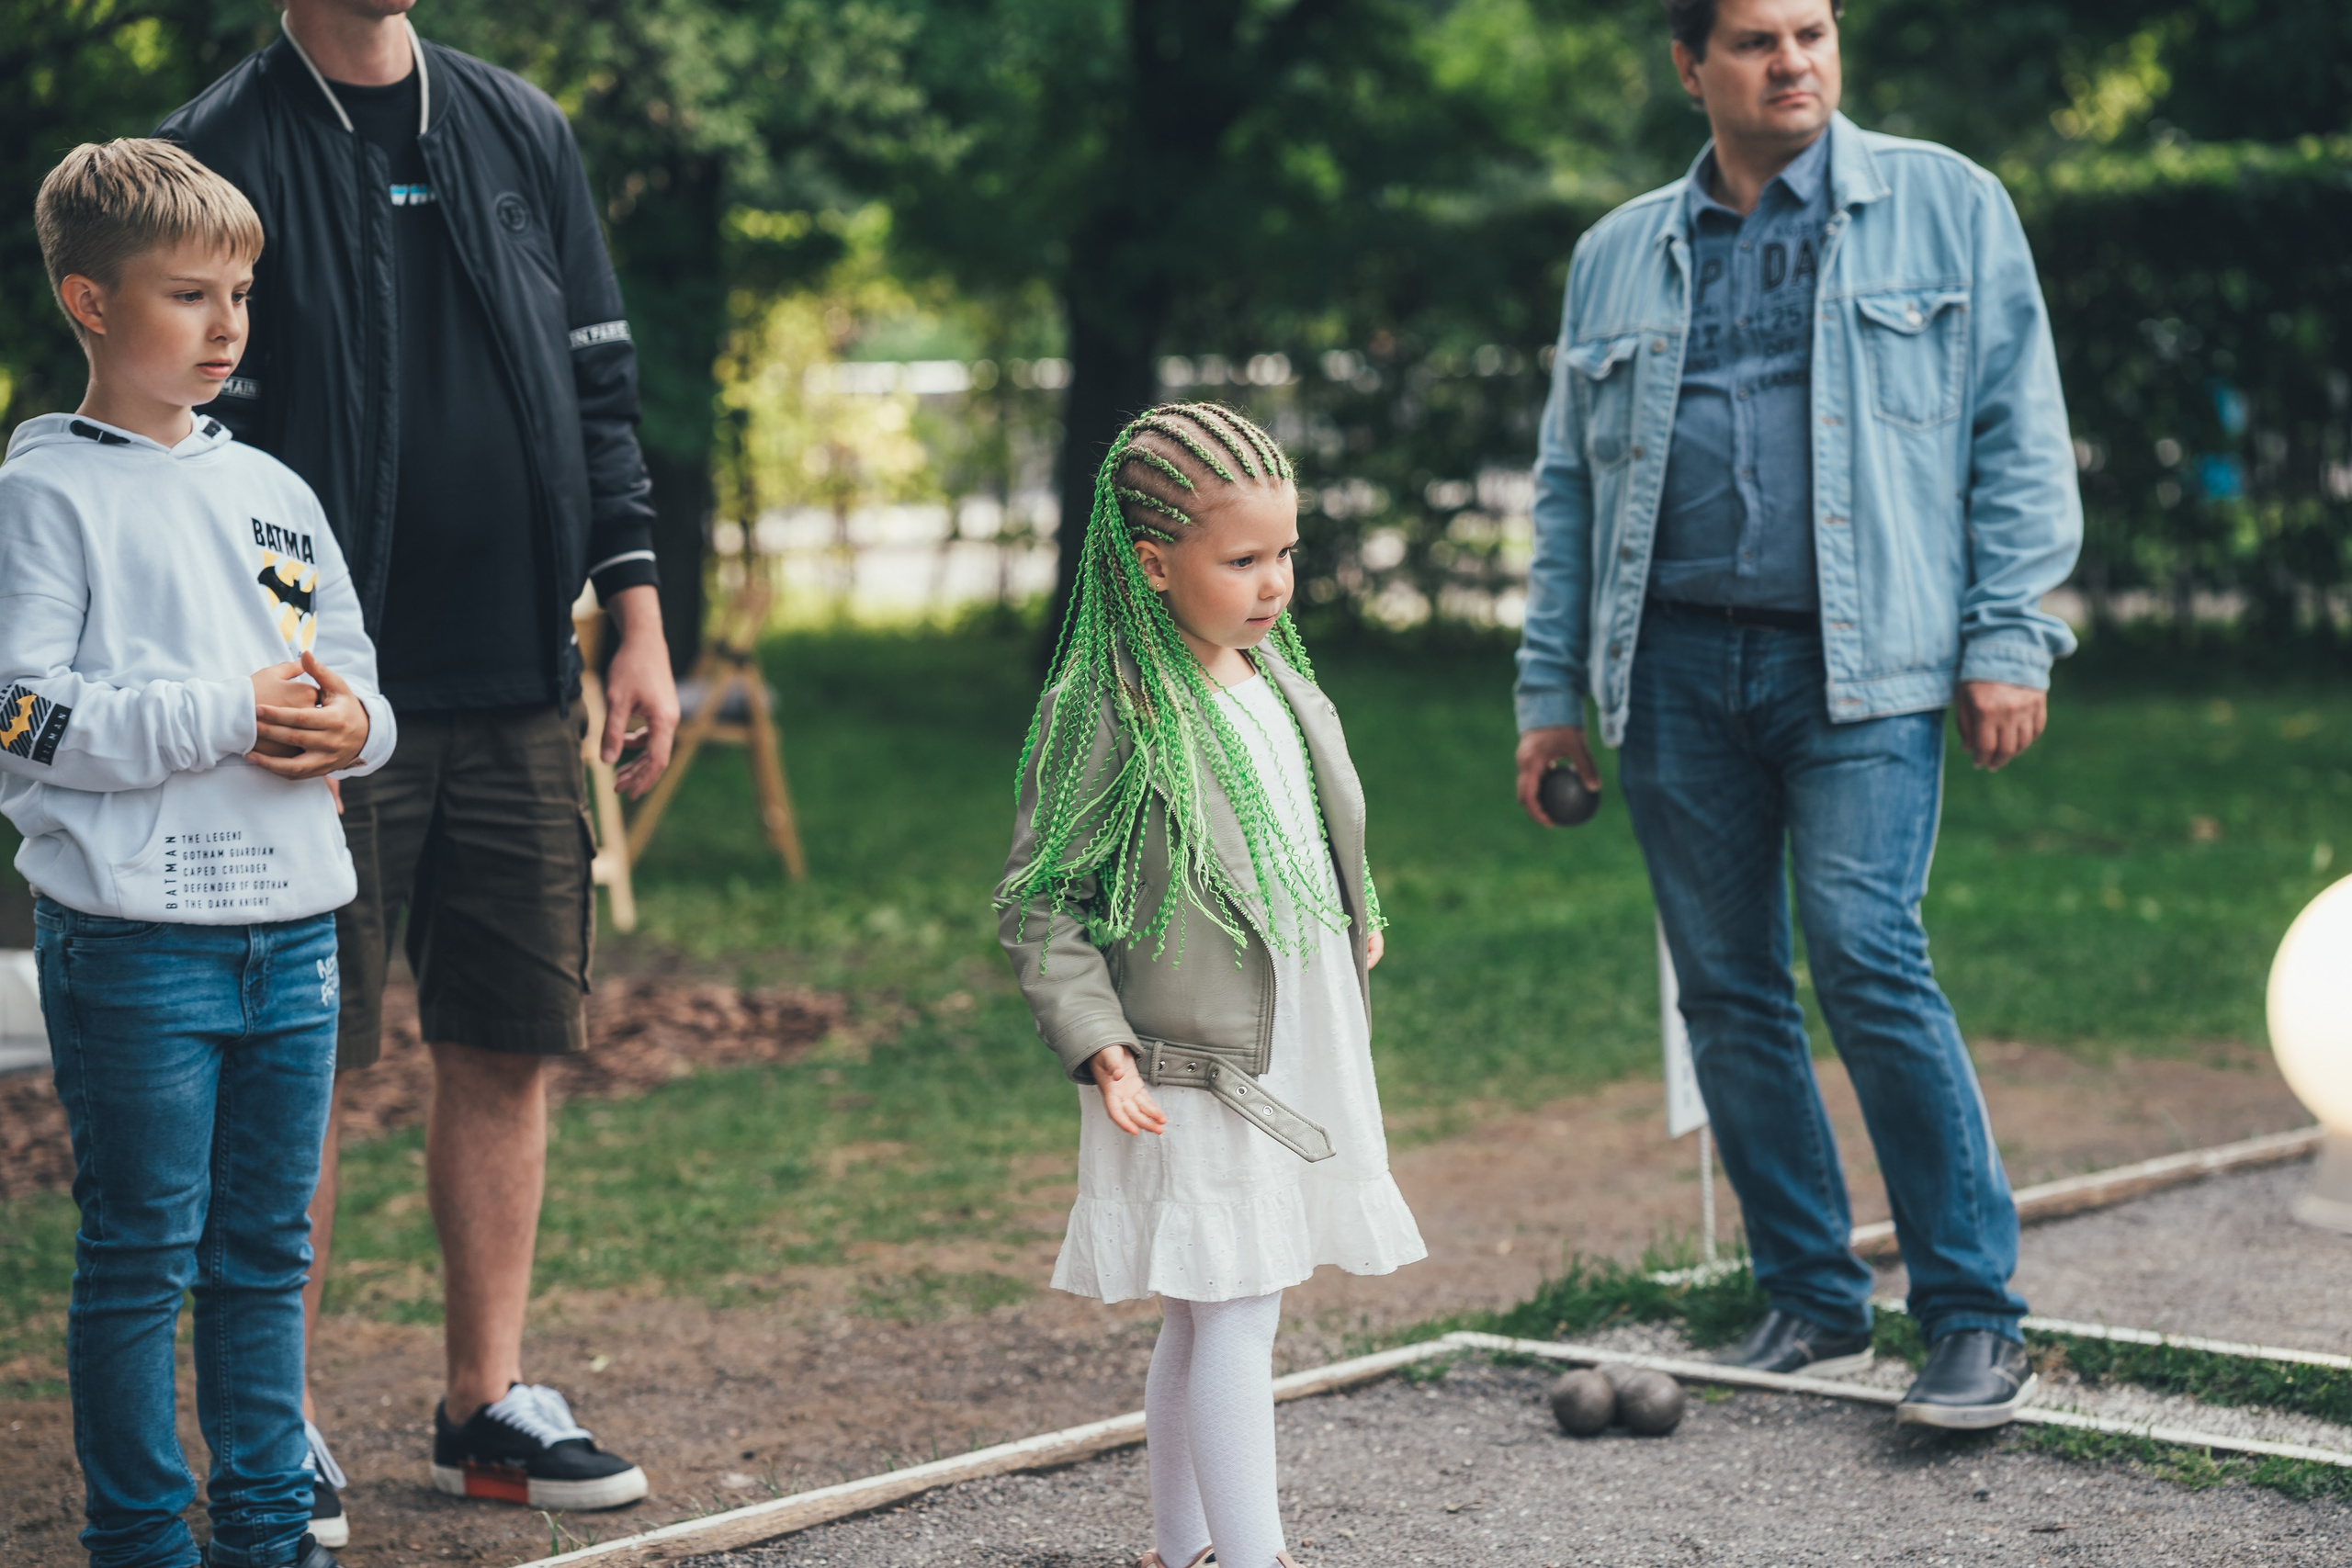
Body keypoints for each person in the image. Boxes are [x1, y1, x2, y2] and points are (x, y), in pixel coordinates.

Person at [1513, 0, 2081, 1427]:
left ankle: (1971, 1313)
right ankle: (1812, 1294)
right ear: (1690, 66)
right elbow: (1569, 489)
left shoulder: (1949, 206)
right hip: (1675, 672)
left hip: (1867, 664)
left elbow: (2019, 426)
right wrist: (1548, 697)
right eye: (1759, 40)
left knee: (1868, 955)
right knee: (1726, 988)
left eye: (1816, 31)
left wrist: (2009, 636)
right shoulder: (1613, 256)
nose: (1797, 63)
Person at [160, 0, 680, 1542]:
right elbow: (191, 448)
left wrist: (636, 621)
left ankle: (487, 1404)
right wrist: (275, 690)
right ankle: (274, 1428)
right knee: (296, 1070)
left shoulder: (520, 126)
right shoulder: (218, 150)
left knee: (509, 1038)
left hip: (524, 681)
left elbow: (601, 398)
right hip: (322, 706)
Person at [6, 138, 395, 1568]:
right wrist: (223, 711)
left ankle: (267, 1538)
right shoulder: (43, 492)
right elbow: (22, 714)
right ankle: (140, 1542)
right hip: (135, 944)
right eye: (190, 294)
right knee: (137, 1261)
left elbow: (355, 677)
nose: (228, 324)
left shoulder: (275, 489)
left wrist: (354, 728)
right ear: (90, 301)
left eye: (240, 291)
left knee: (266, 1260)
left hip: (295, 933)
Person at [999, 403, 1426, 1568]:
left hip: (1292, 1035)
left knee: (1213, 1303)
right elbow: (1040, 905)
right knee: (1234, 1303)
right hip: (1191, 1061)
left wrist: (1356, 912)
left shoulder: (1276, 678)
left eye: (1285, 553)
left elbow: (1311, 818)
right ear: (1152, 564)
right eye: (1241, 560)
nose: (1274, 582)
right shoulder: (1107, 711)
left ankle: (1178, 1550)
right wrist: (1098, 1041)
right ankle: (1252, 1559)